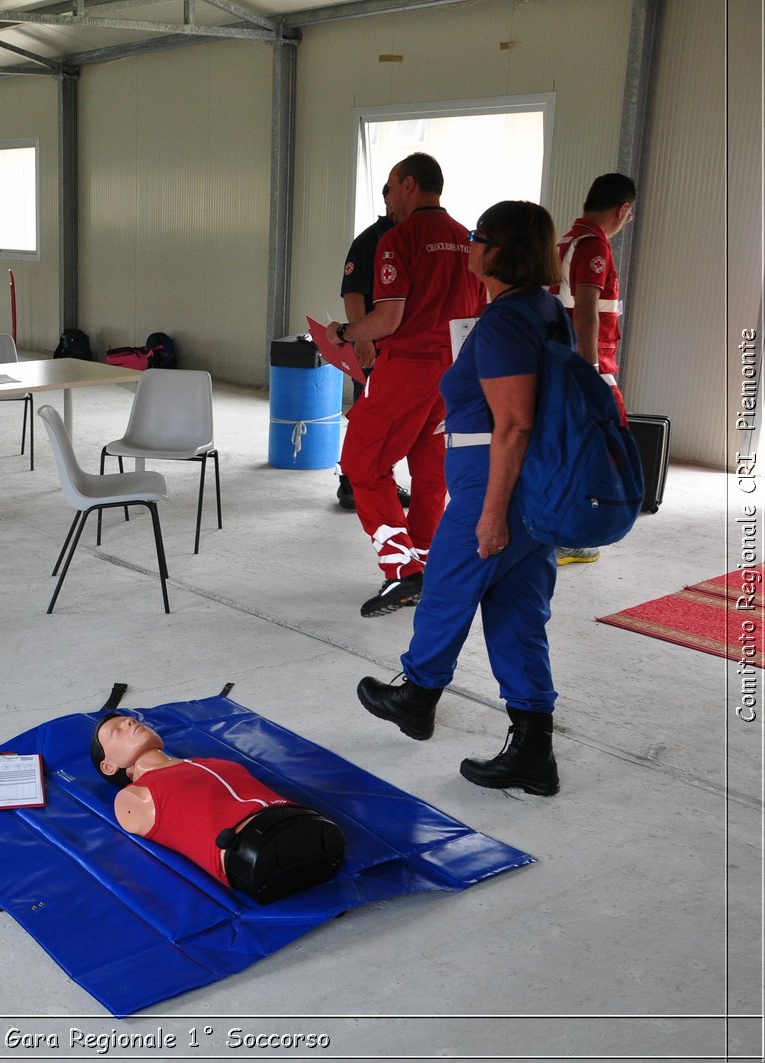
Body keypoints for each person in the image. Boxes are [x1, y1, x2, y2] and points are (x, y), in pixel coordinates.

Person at [356, 200, 567, 797]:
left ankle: (416, 694)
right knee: (519, 613)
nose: (468, 244)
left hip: (493, 480)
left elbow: (514, 423)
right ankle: (533, 750)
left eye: (478, 236)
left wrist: (493, 511)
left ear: (500, 249)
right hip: (538, 484)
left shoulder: (503, 321)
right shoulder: (546, 309)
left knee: (448, 582)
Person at [327, 153, 484, 618]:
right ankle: (427, 567)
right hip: (454, 373)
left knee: (361, 462)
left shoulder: (398, 239)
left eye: (391, 188)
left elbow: (388, 317)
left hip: (407, 370)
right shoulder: (468, 240)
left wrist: (342, 334)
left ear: (410, 185)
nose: (389, 198)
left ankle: (401, 570)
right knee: (431, 471)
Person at [90, 711, 345, 904]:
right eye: (117, 731)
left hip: (310, 825)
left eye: (129, 720)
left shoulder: (209, 762)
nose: (130, 722)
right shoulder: (136, 797)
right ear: (109, 766)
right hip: (253, 852)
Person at [549, 173, 637, 566]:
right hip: (590, 365)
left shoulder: (565, 241)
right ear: (622, 210)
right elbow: (586, 310)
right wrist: (588, 374)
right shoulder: (594, 245)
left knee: (566, 447)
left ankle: (558, 527)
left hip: (563, 362)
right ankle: (571, 535)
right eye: (628, 214)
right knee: (603, 446)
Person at [336, 182, 410, 513]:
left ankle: (380, 479)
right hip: (373, 347)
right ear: (387, 200)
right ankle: (351, 484)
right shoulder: (369, 241)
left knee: (393, 421)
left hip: (403, 349)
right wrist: (361, 338)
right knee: (368, 416)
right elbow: (353, 293)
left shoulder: (414, 236)